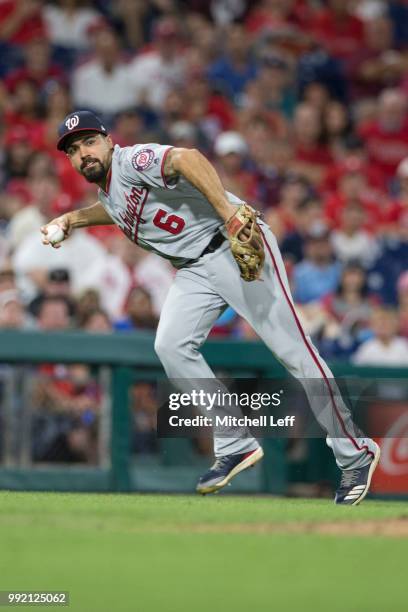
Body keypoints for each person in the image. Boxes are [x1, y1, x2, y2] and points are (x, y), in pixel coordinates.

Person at [41, 110, 380, 505]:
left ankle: (356, 452)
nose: (84, 154)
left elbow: (187, 159)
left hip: (232, 247)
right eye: (74, 150)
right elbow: (116, 210)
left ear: (108, 140)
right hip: (195, 270)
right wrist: (71, 219)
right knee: (170, 346)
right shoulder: (110, 192)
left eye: (89, 142)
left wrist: (230, 214)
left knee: (297, 354)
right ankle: (234, 441)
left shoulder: (130, 161)